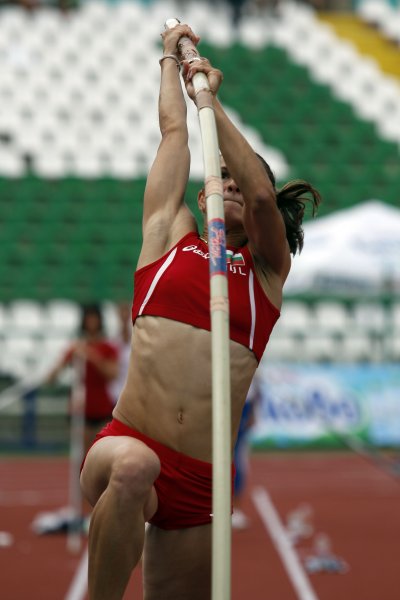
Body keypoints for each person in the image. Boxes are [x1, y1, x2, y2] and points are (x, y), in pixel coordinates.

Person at [80, 23, 321, 600]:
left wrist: (208, 99)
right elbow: (172, 135)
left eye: (240, 177)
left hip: (201, 484)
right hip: (128, 442)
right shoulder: (168, 236)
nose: (233, 184)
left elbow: (263, 196)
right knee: (136, 468)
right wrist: (171, 62)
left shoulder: (268, 271)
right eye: (224, 178)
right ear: (206, 192)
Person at [46, 302, 119, 456]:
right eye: (88, 319)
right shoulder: (77, 347)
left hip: (102, 407)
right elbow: (52, 376)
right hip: (81, 409)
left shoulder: (108, 347)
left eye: (94, 318)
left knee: (101, 453)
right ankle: (80, 480)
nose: (91, 322)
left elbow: (112, 374)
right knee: (83, 454)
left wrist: (91, 355)